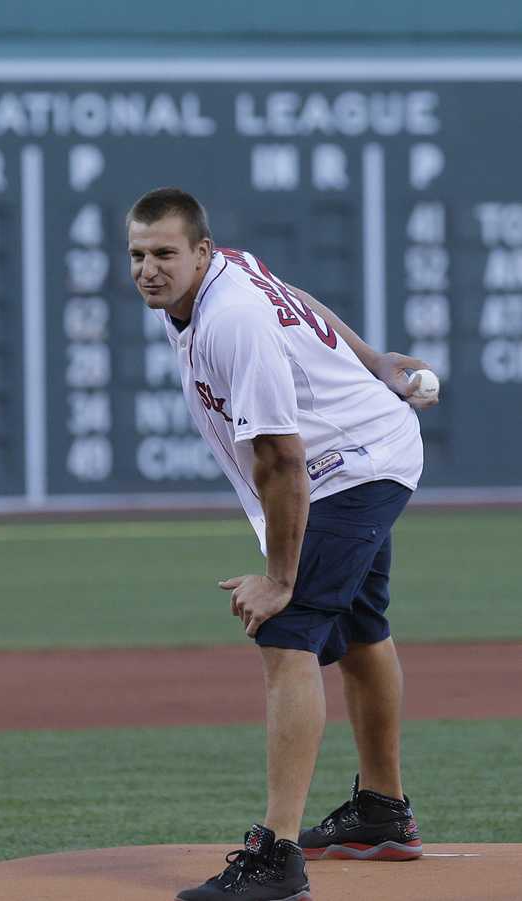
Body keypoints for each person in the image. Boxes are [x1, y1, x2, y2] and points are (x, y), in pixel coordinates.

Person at [126, 187, 435, 901]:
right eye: (138, 254)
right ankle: (382, 811)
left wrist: (278, 577)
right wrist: (374, 359)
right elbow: (293, 295)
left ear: (201, 252)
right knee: (359, 629)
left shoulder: (229, 320)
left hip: (347, 467)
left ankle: (277, 857)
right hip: (365, 448)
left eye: (165, 253)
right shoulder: (226, 274)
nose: (149, 267)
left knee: (288, 633)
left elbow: (282, 462)